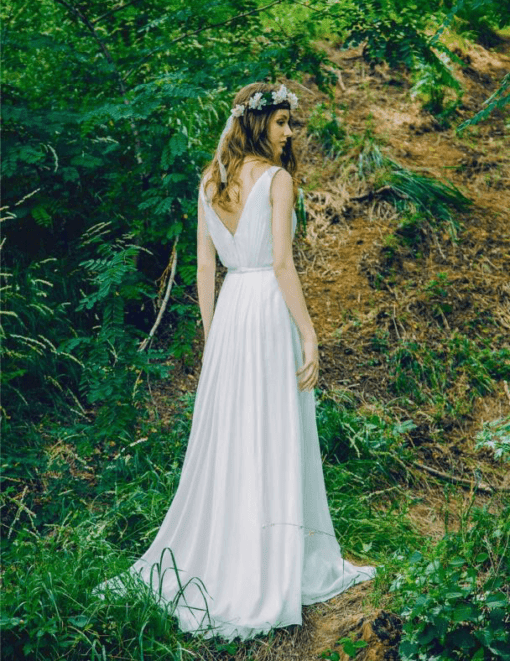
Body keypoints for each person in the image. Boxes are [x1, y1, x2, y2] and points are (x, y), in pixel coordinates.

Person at [94, 82, 375, 642]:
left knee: (237, 438)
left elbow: (205, 272)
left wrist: (213, 333)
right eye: (280, 123)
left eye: (289, 124)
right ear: (256, 124)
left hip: (230, 319)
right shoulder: (277, 180)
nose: (289, 133)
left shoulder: (209, 183)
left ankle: (235, 552)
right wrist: (310, 333)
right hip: (268, 313)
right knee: (272, 432)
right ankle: (268, 563)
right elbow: (281, 264)